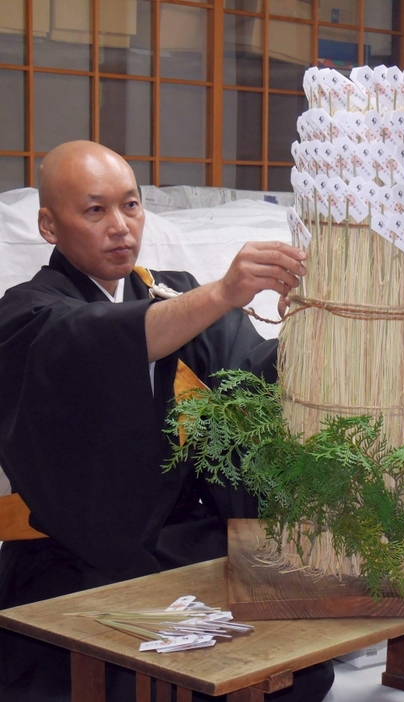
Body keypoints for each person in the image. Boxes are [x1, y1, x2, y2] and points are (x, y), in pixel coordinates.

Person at [0, 141, 334, 701]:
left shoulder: (171, 291)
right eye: (95, 210)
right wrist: (223, 293)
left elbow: (250, 377)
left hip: (181, 545)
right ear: (48, 226)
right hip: (74, 560)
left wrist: (314, 323)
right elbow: (100, 340)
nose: (120, 227)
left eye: (130, 206)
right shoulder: (27, 312)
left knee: (301, 673)